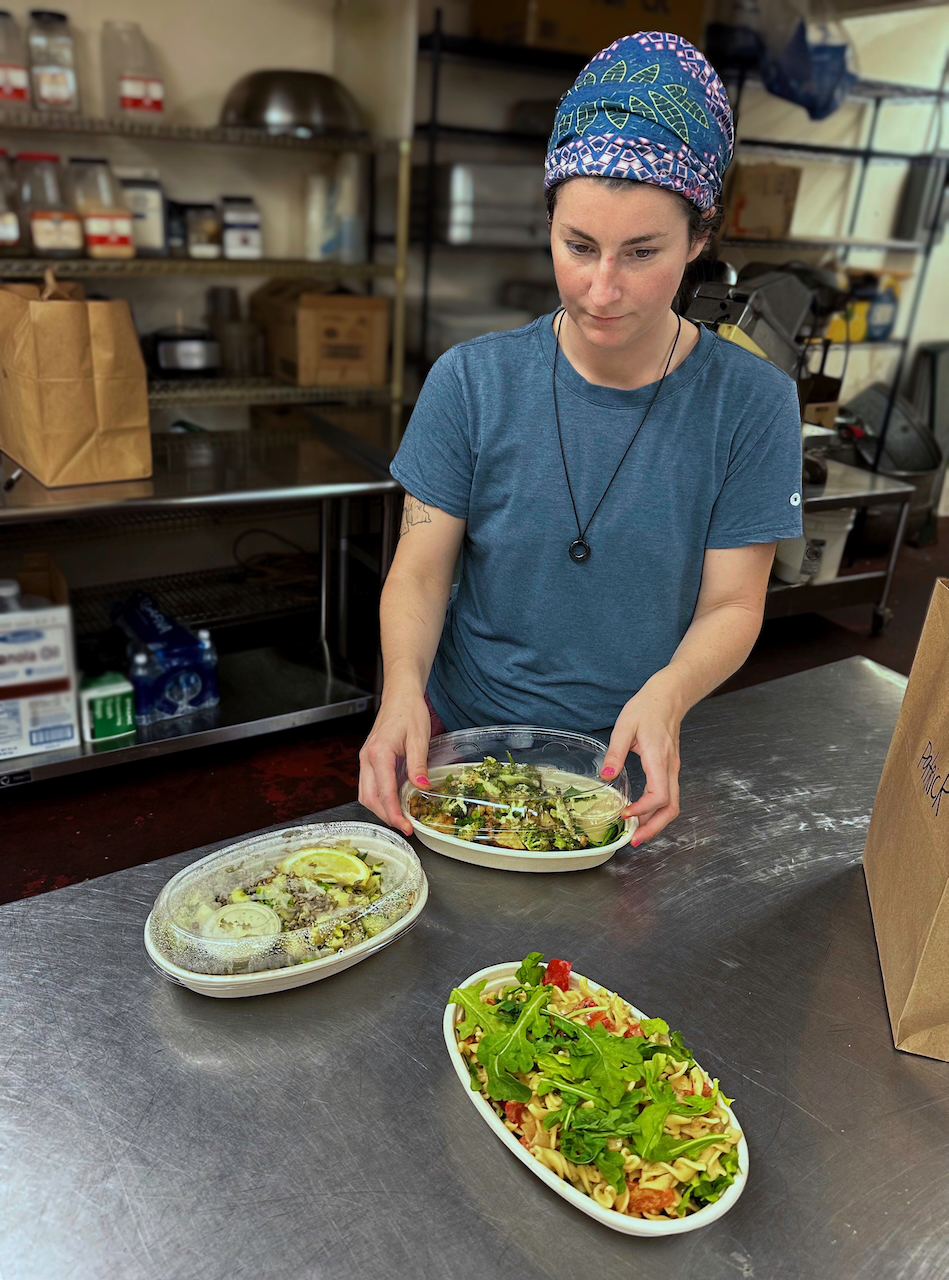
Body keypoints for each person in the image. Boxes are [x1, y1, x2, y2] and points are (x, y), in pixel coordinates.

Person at [359, 31, 804, 846]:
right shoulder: (471, 381)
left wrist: (667, 695)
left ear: (700, 238)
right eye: (578, 246)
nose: (601, 289)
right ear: (550, 223)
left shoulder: (751, 404)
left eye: (641, 253)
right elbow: (419, 576)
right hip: (461, 744)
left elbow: (735, 603)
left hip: (623, 757)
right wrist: (398, 695)